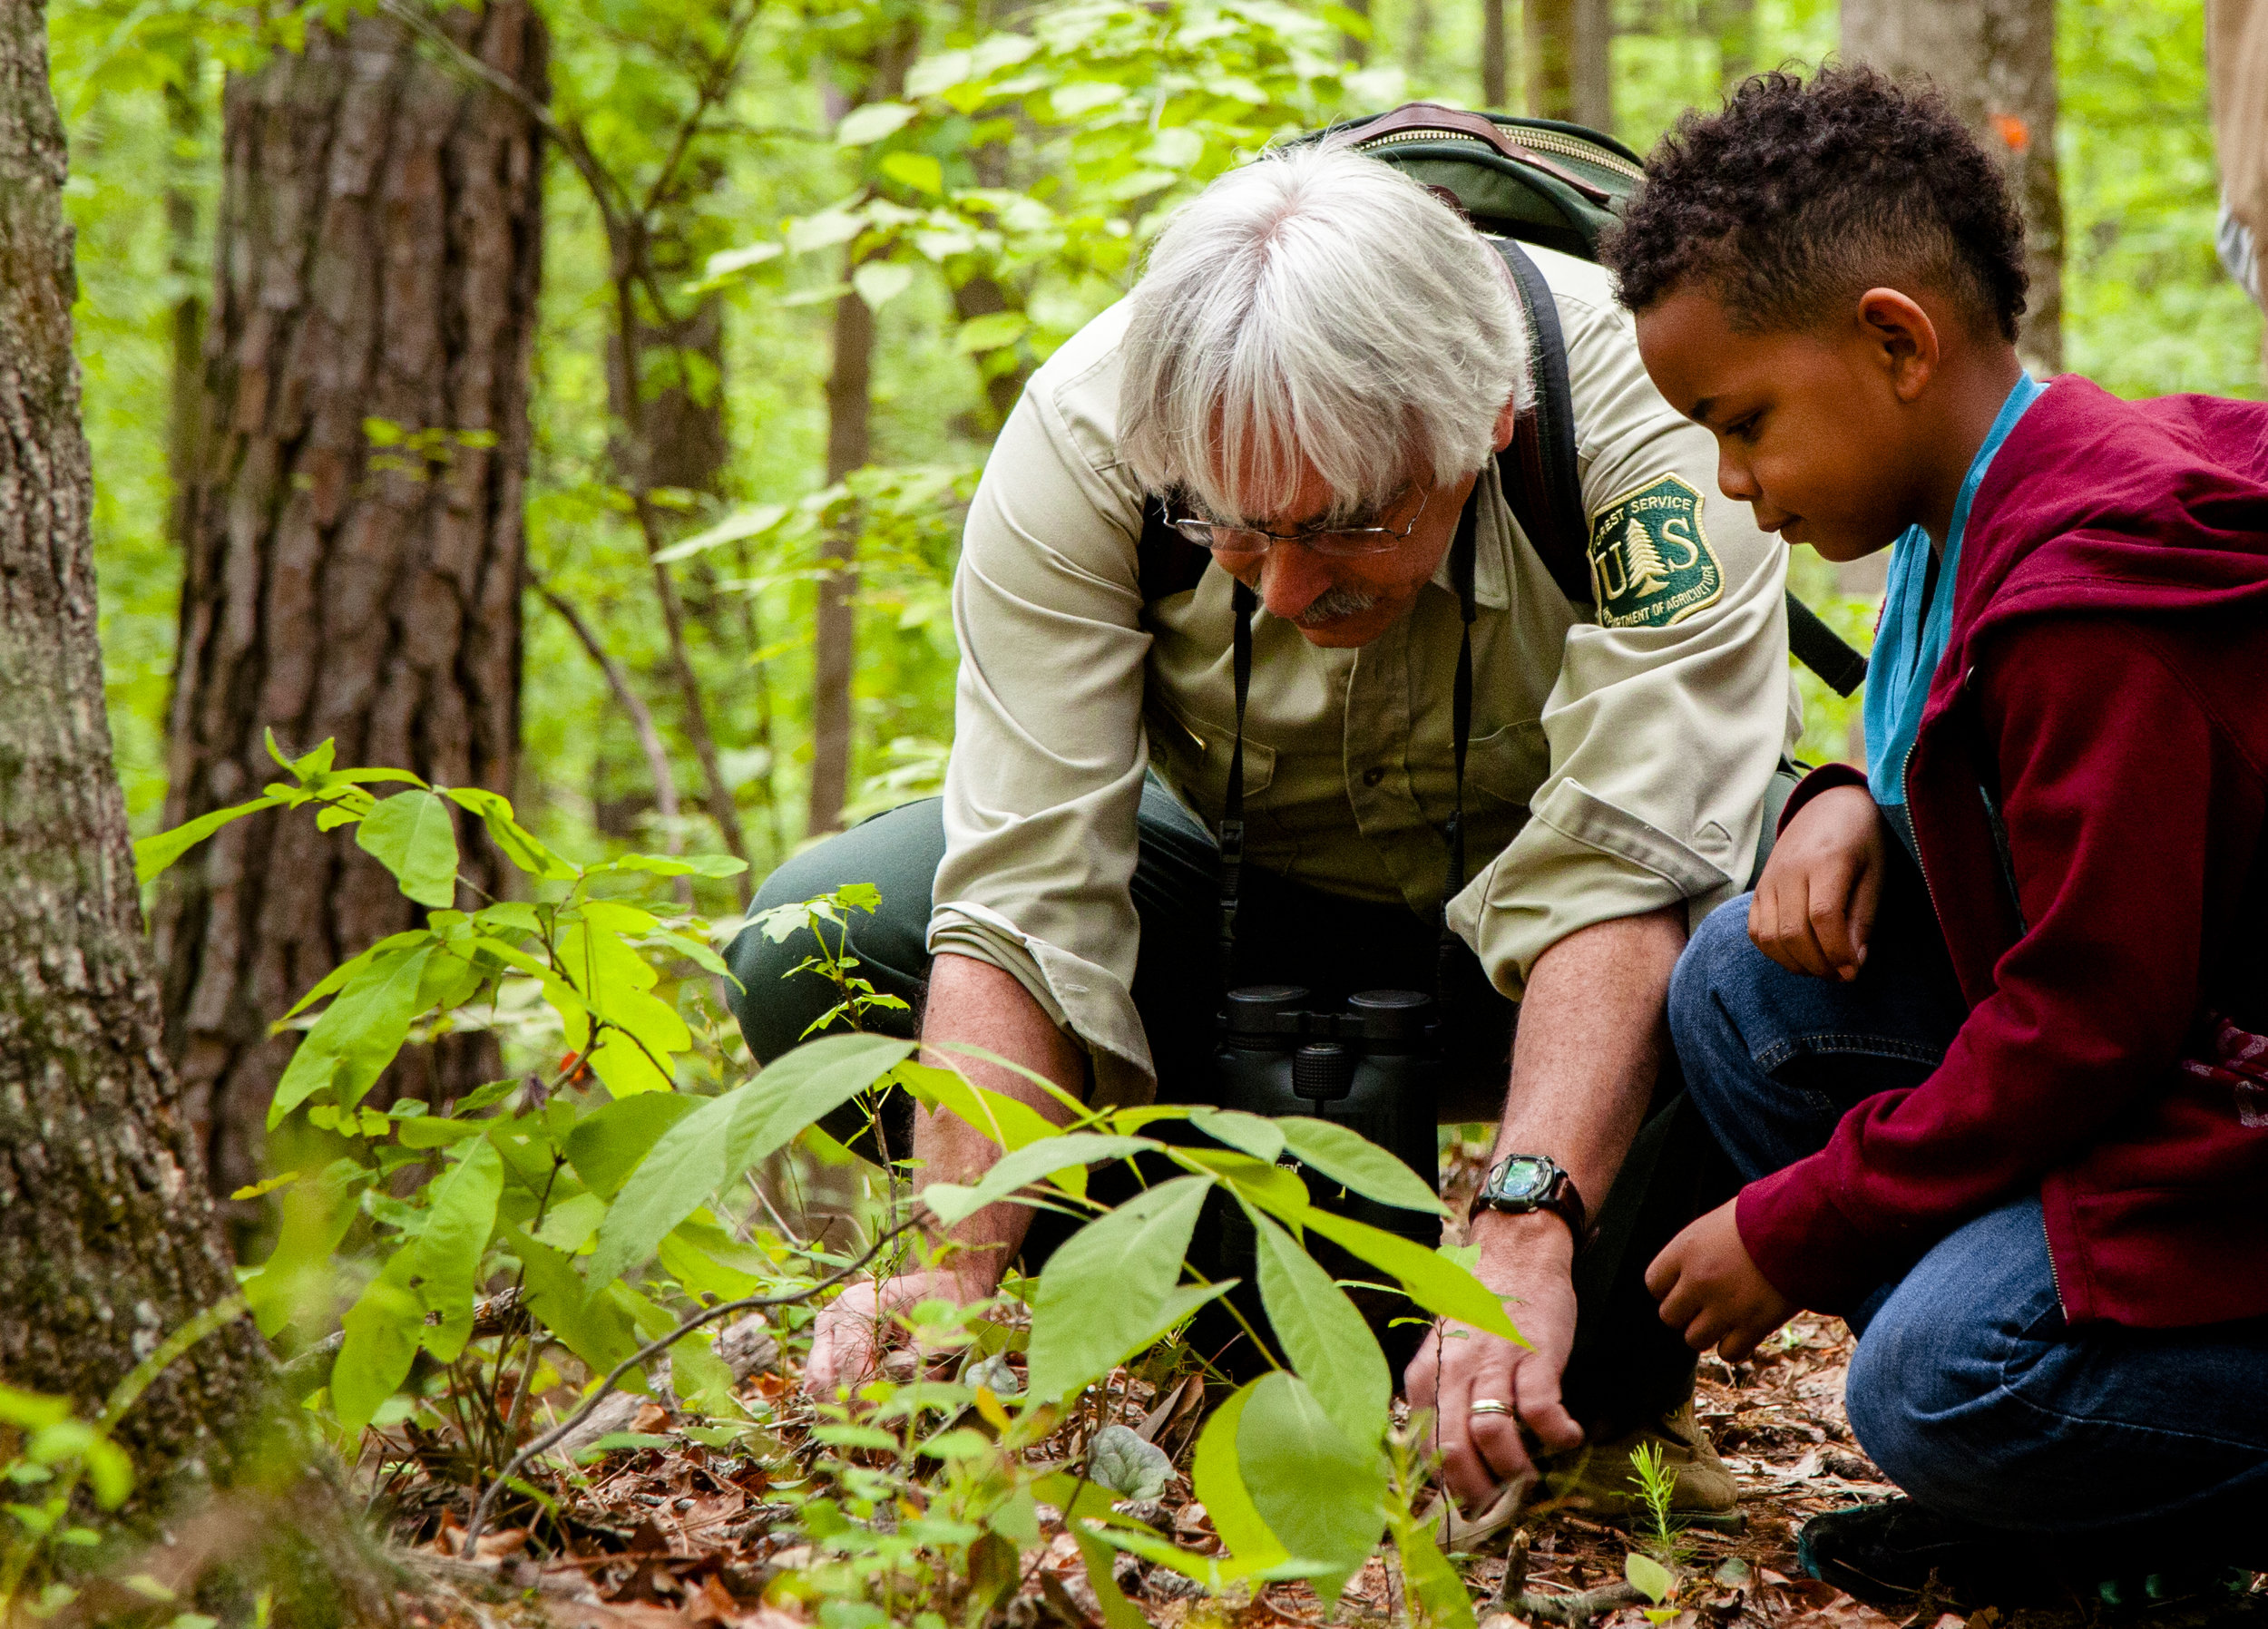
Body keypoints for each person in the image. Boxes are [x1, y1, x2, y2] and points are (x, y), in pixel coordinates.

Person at [732, 141, 1802, 1515]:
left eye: (1350, 523)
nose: (1291, 588)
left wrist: (1526, 1221)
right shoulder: (1085, 438)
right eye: (1232, 531)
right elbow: (1023, 894)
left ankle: (1605, 1387)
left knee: (1809, 938)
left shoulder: (1647, 416)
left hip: (1599, 945)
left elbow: (1626, 862)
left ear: (1482, 422)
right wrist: (956, 1273)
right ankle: (1244, 1321)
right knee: (820, 940)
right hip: (1247, 938)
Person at [1600, 66, 2268, 1605]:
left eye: (1744, 420)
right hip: (2162, 1057)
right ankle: (2080, 1477)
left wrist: (1799, 1224)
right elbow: (1958, 759)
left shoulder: (2095, 598)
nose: (1734, 483)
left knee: (1933, 1389)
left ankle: (2099, 1458)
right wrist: (1842, 796)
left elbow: (2093, 1019)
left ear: (1894, 340)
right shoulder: (1978, 504)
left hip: (2212, 1088)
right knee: (1743, 987)